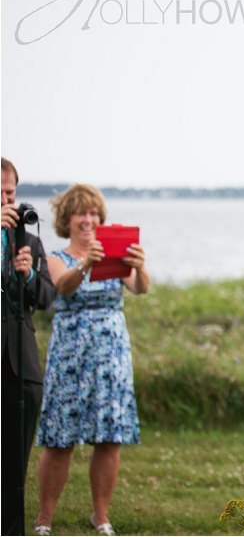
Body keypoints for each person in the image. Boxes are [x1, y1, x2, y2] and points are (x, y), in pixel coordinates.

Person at [33, 184, 149, 537]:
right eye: (81, 213)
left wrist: (139, 266)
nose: (88, 220)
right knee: (59, 438)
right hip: (70, 352)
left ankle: (100, 516)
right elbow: (63, 287)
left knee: (108, 437)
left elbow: (140, 288)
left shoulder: (114, 254)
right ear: (66, 220)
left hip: (110, 353)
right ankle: (44, 518)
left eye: (94, 213)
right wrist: (86, 264)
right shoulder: (56, 257)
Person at [1, 158, 56, 536]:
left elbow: (47, 297)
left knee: (13, 461)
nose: (8, 200)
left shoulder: (29, 241)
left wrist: (29, 274)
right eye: (0, 193)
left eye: (11, 192)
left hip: (19, 362)